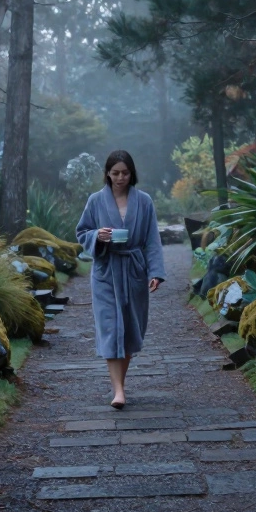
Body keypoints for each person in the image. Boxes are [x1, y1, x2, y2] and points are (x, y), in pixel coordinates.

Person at [75, 150, 166, 409]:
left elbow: (152, 240)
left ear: (131, 173)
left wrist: (156, 272)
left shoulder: (144, 201)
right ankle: (118, 391)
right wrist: (97, 236)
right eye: (115, 173)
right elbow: (82, 232)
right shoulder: (95, 201)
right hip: (106, 271)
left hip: (134, 270)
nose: (120, 178)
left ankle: (121, 384)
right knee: (110, 327)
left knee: (129, 329)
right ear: (107, 173)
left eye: (125, 173)